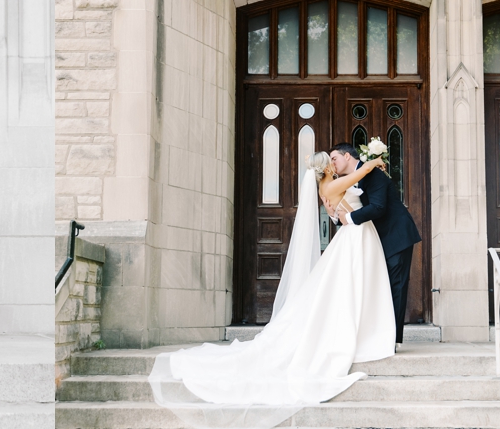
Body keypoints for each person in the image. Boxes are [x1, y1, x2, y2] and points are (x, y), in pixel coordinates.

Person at [149, 151, 395, 429]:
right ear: (326, 167)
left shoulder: (328, 187)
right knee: (345, 288)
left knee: (348, 288)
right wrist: (373, 162)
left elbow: (343, 203)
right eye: (331, 159)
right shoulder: (331, 185)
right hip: (353, 238)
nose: (334, 163)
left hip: (355, 235)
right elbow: (359, 175)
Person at [330, 142, 422, 346]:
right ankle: (378, 335)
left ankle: (393, 341)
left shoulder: (373, 173)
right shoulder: (348, 180)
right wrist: (336, 217)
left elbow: (378, 207)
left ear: (347, 156)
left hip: (396, 236)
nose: (332, 163)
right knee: (378, 287)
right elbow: (348, 209)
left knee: (395, 287)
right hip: (374, 240)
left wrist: (350, 218)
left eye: (334, 158)